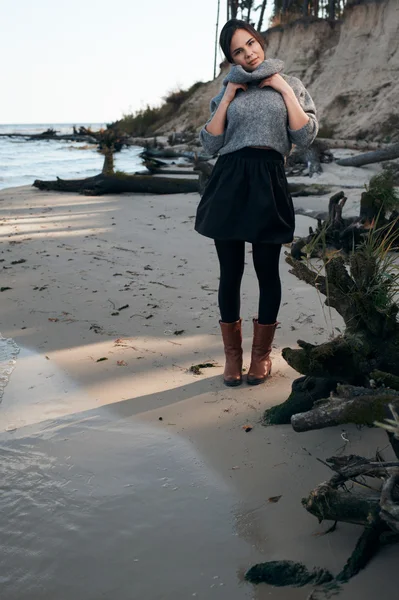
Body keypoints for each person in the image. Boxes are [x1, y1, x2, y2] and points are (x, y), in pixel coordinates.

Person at [195, 19, 318, 387]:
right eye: (238, 50)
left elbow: (305, 134)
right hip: (230, 179)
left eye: (251, 43)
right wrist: (229, 95)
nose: (249, 53)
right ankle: (233, 357)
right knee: (230, 273)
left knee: (267, 270)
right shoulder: (228, 89)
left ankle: (261, 357)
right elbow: (211, 144)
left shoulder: (290, 83)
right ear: (230, 58)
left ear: (259, 41)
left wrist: (282, 88)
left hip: (269, 179)